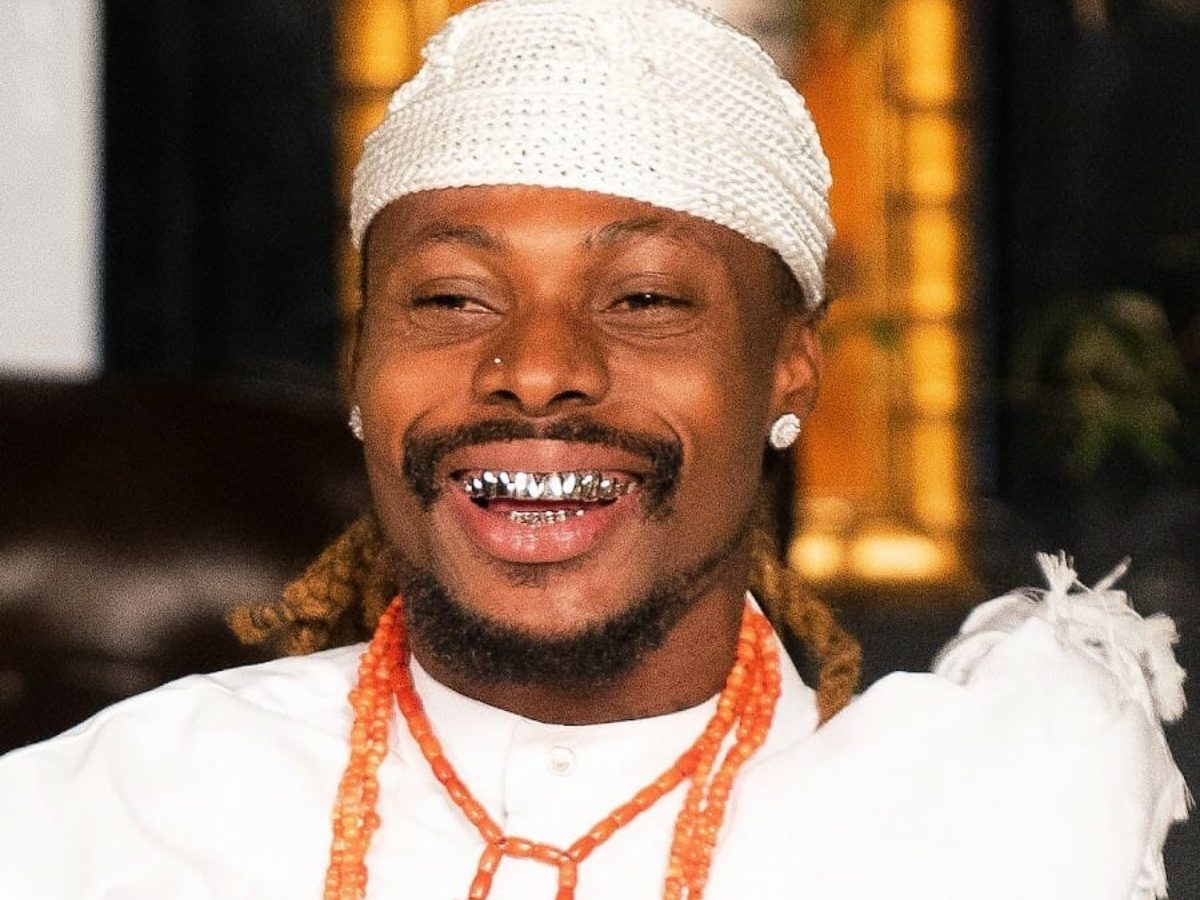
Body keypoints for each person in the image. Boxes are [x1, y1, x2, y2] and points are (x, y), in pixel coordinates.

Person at [0, 0, 1189, 897]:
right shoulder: (95, 820)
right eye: (452, 299)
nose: (535, 367)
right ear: (360, 369)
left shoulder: (975, 831)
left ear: (790, 368)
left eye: (645, 299)